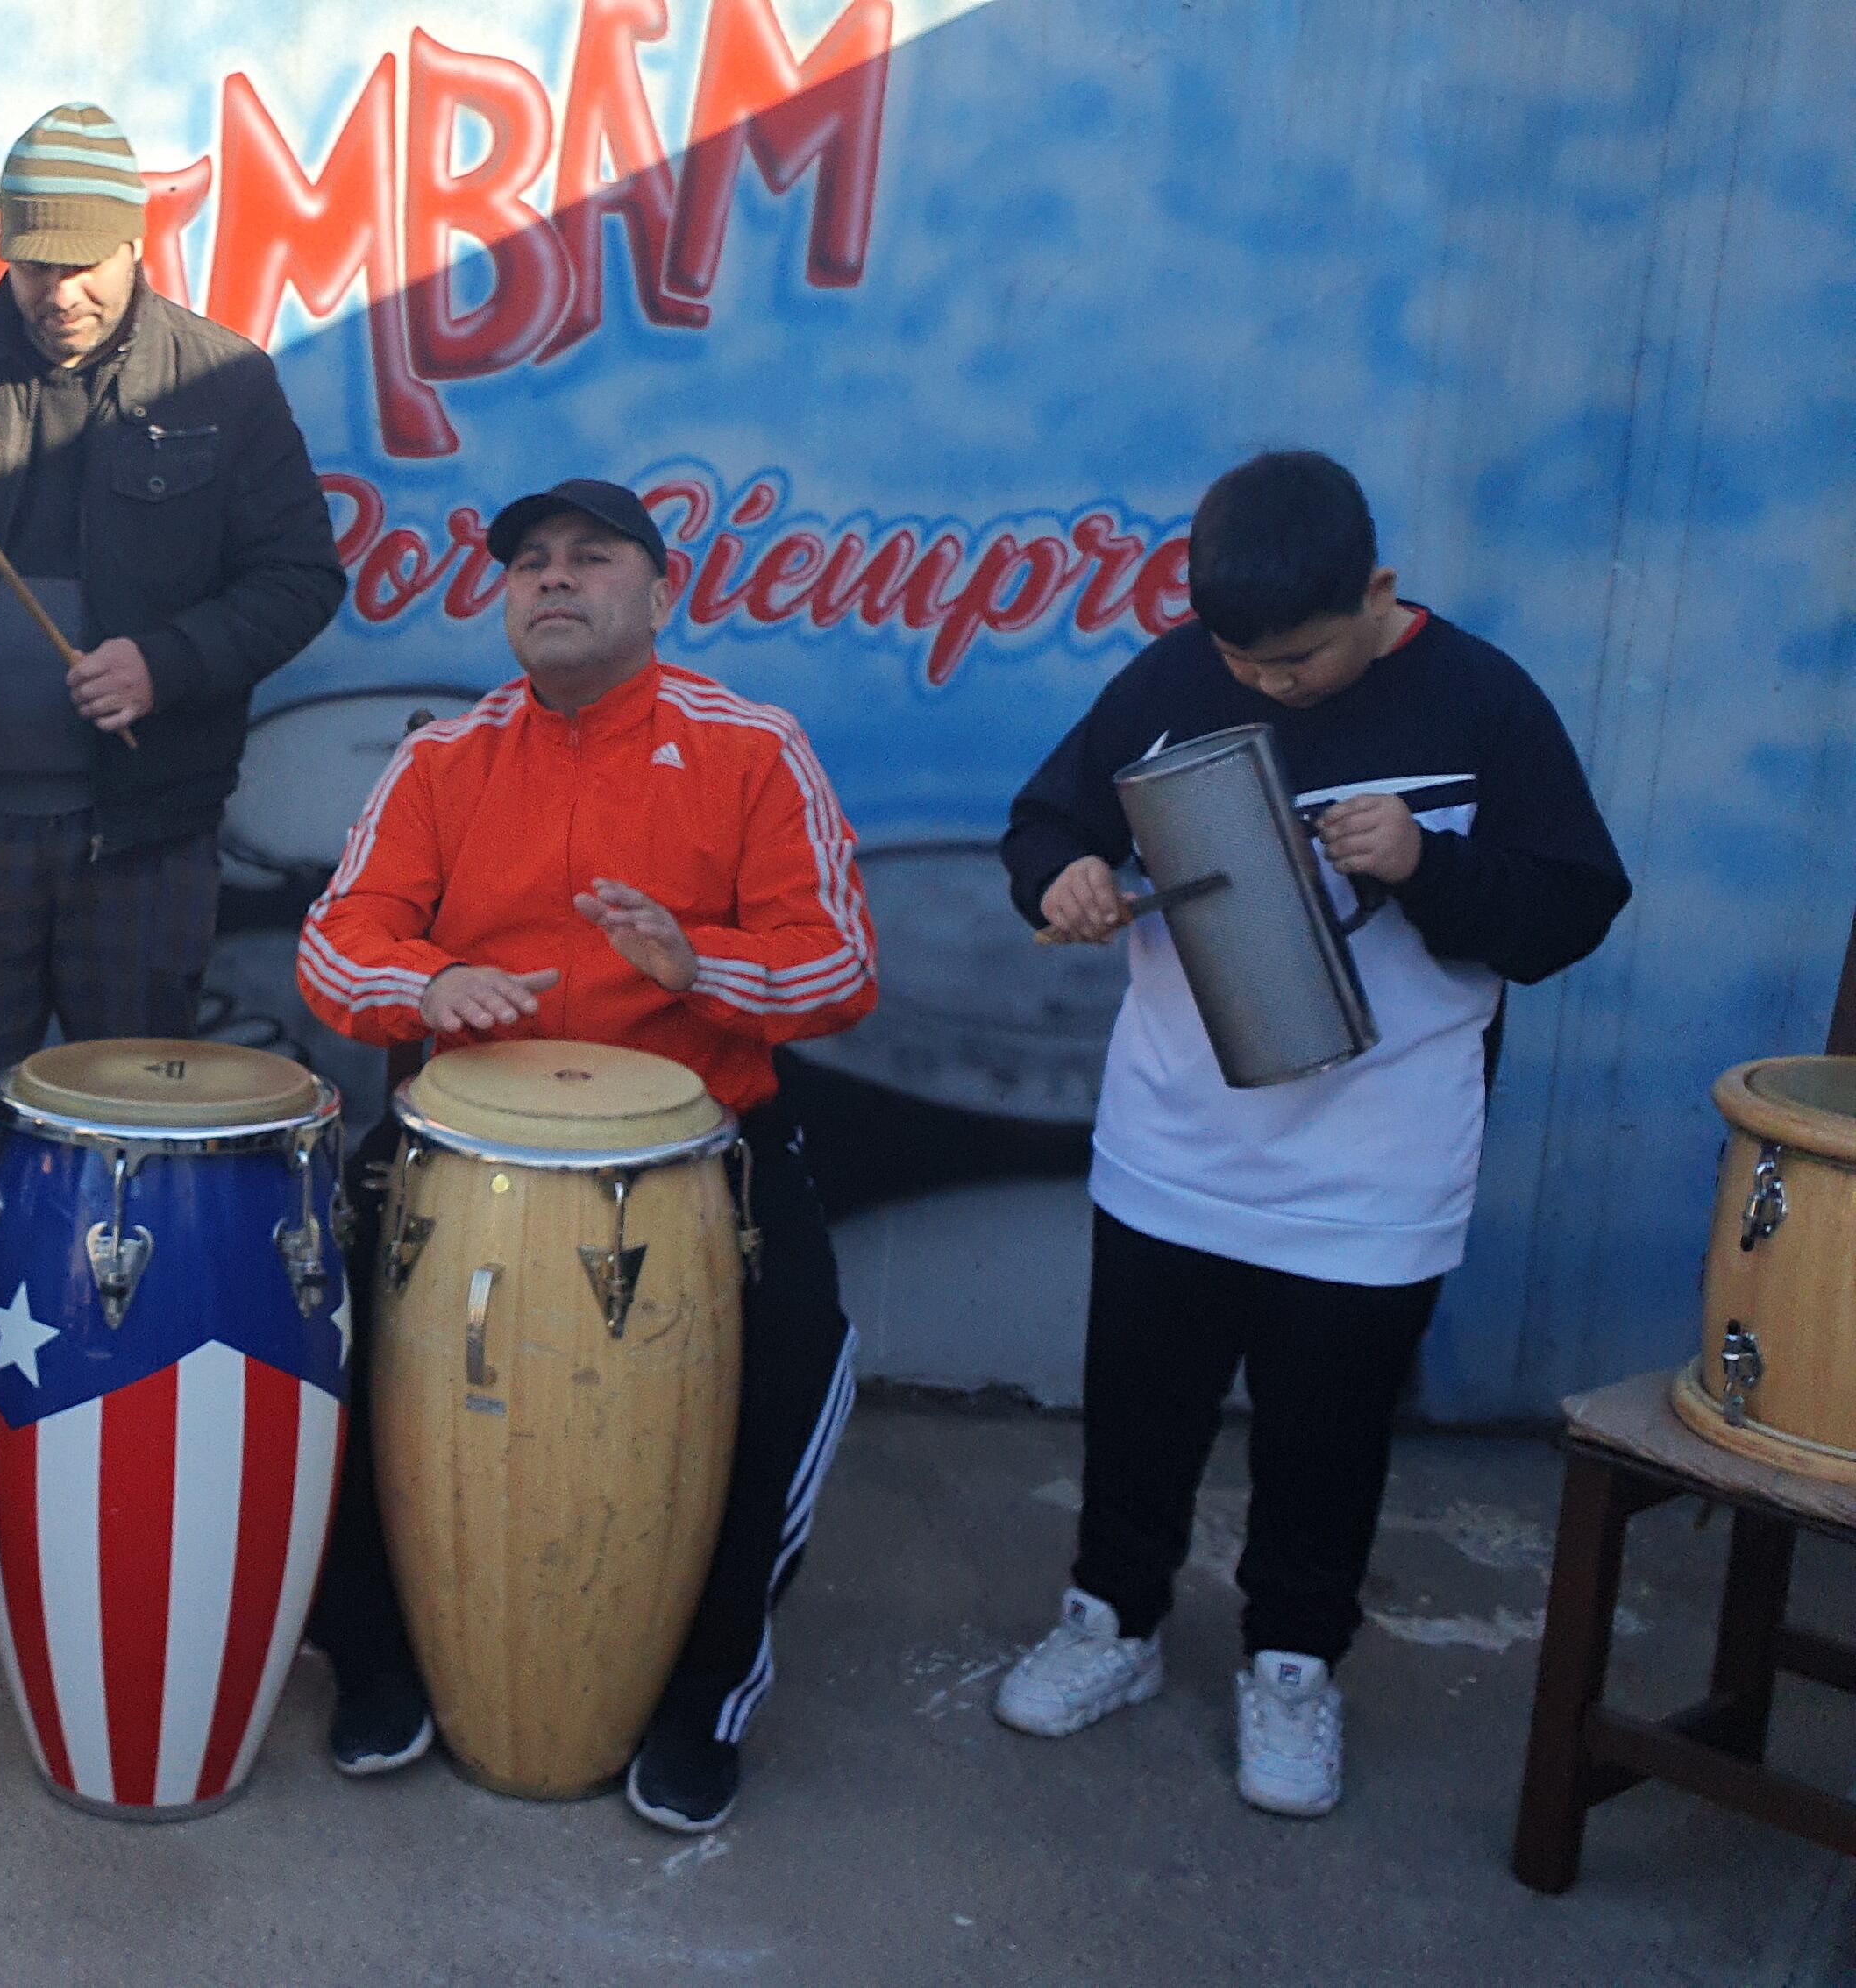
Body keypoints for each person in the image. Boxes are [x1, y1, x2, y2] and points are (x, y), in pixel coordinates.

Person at [988, 450, 1628, 1817]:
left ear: (1379, 593)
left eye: (1301, 660)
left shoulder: (1483, 701)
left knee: (1327, 1432)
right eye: (1245, 660)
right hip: (1175, 1145)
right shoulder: (1170, 683)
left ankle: (1291, 1661)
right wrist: (1071, 873)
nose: (1270, 686)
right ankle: (1113, 1619)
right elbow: (1043, 821)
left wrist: (1428, 864)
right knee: (1144, 1408)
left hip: (1375, 1166)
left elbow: (1572, 909)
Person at [294, 479, 878, 1834]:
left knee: (797, 1353)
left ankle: (704, 1693)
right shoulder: (445, 756)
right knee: (304, 1336)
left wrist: (703, 964)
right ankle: (374, 1658)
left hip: (698, 1146)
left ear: (659, 593)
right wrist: (429, 987)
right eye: (530, 566)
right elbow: (338, 944)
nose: (553, 581)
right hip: (461, 1143)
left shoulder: (751, 748)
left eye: (590, 559)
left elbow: (841, 962)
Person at [0, 101, 345, 1503]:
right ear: (2, 248)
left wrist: (164, 664)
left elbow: (303, 579)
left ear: (137, 240)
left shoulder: (225, 383)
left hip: (143, 840)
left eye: (87, 262)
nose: (59, 294)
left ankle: (120, 1388)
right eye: (35, 263)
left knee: (129, 1131)